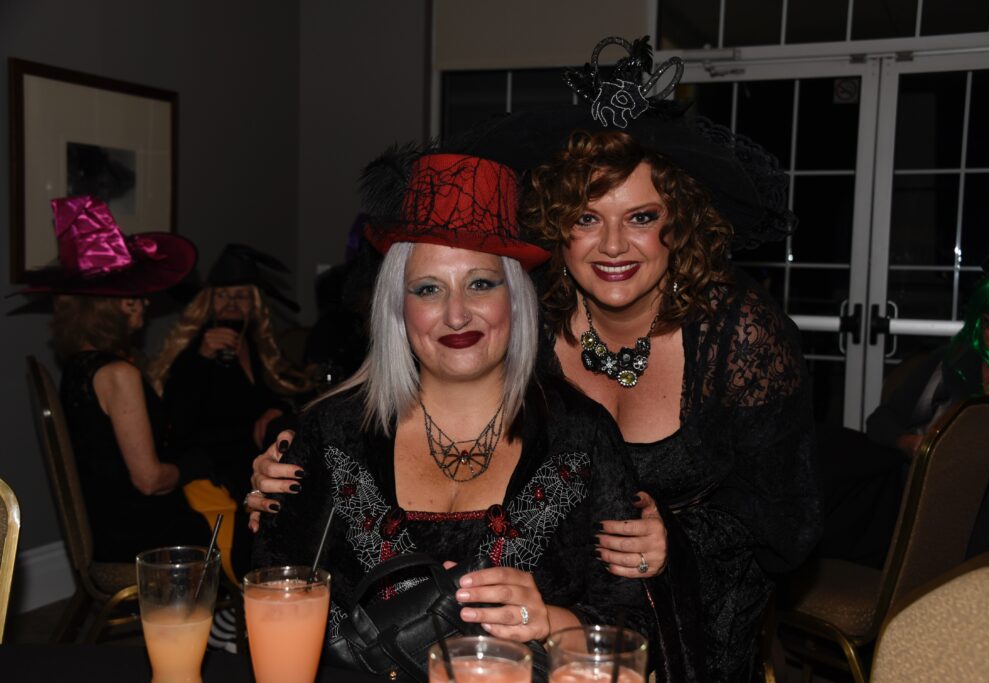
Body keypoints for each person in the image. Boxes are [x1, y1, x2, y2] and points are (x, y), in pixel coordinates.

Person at [252, 37, 821, 681]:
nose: (613, 245)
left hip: (693, 614)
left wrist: (679, 539)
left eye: (640, 217)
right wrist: (287, 468)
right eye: (586, 218)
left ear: (679, 224)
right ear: (556, 227)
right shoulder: (529, 312)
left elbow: (787, 516)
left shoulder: (739, 334)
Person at [251, 152, 650, 677]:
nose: (457, 314)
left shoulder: (581, 435)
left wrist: (551, 621)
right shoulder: (333, 432)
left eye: (481, 284)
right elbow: (272, 590)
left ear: (516, 298)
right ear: (398, 307)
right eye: (428, 289)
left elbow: (631, 627)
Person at [22, 196, 211, 562]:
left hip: (108, 523)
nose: (146, 305)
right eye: (137, 298)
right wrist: (198, 465)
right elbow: (149, 480)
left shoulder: (78, 366)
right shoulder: (118, 374)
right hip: (141, 540)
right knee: (232, 516)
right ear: (117, 306)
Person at [865, 228, 989, 555]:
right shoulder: (949, 361)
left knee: (967, 503)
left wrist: (975, 458)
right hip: (923, 495)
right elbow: (880, 422)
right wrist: (912, 445)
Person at [150, 244, 312, 505]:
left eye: (241, 296)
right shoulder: (195, 348)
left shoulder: (256, 345)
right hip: (216, 469)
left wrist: (277, 408)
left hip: (254, 460)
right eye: (223, 296)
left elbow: (281, 390)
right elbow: (179, 420)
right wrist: (202, 357)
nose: (232, 304)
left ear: (254, 304)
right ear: (209, 302)